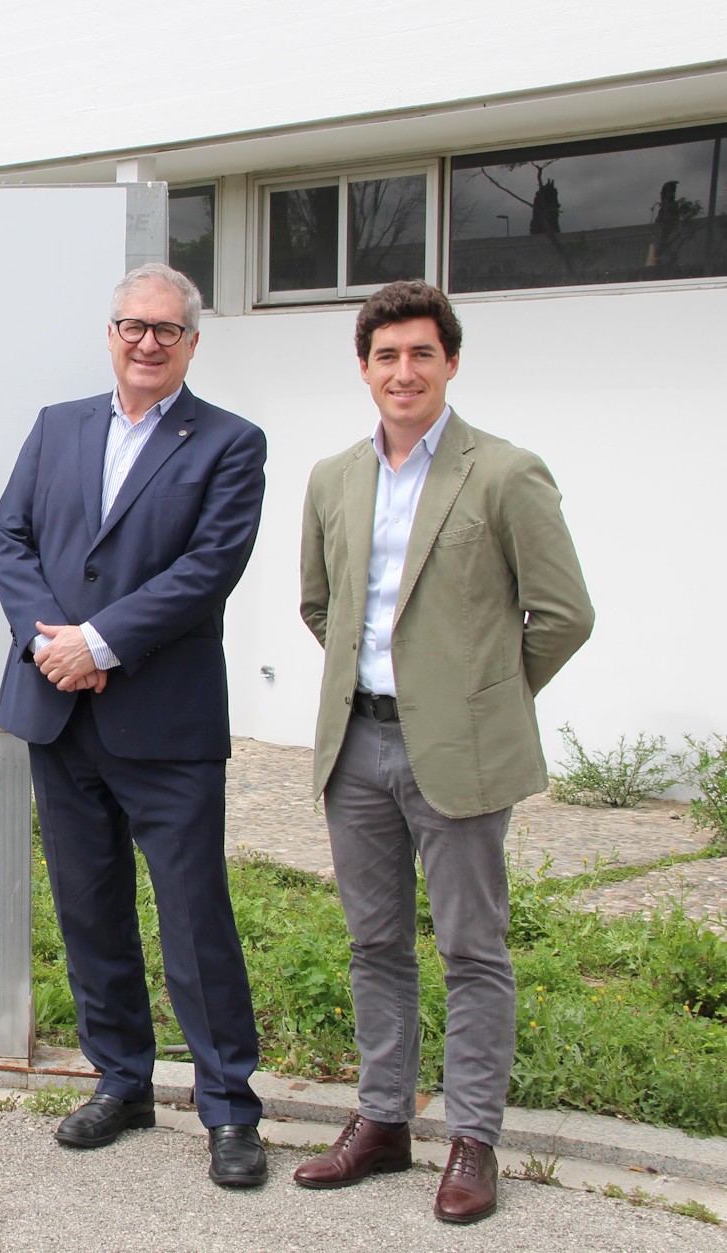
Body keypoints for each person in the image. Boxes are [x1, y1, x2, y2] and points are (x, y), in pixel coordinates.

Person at [295, 280, 593, 1223]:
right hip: (357, 748)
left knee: (473, 948)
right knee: (375, 943)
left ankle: (473, 1139)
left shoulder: (503, 472)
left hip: (459, 754)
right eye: (386, 355)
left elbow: (564, 613)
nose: (404, 371)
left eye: (422, 352)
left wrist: (478, 700)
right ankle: (383, 1121)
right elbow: (320, 605)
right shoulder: (333, 477)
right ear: (364, 369)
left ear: (451, 362)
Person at [0, 262, 268, 1188]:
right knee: (90, 907)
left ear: (192, 342)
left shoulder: (229, 442)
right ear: (111, 335)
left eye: (166, 329)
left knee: (195, 917)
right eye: (133, 326)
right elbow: (12, 539)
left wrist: (99, 643)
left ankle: (229, 1106)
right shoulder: (57, 426)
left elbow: (209, 567)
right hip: (59, 710)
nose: (148, 342)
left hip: (165, 721)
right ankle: (121, 1080)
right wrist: (51, 647)